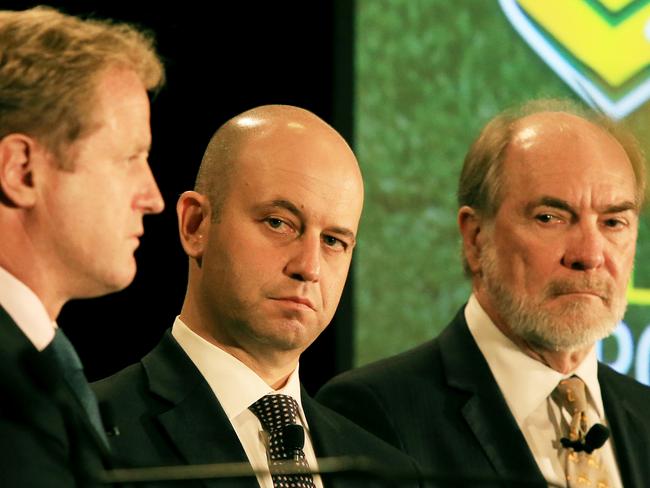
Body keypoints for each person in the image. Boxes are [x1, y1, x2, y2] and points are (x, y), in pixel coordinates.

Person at [317, 100, 650, 487]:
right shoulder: (370, 415)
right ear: (476, 239)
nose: (589, 255)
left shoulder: (644, 416)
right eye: (550, 217)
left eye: (614, 222)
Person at [94, 105, 421, 487]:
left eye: (334, 241)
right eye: (279, 223)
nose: (309, 267)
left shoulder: (388, 473)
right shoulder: (89, 434)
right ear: (195, 225)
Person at [0, 6, 165, 487]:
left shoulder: (32, 369)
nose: (153, 198)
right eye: (130, 158)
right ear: (21, 171)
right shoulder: (9, 391)